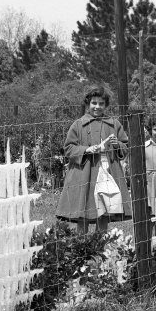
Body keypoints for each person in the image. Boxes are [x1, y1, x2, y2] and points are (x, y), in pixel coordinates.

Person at [56, 87, 131, 235]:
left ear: (106, 105)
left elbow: (126, 146)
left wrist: (117, 144)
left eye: (101, 103)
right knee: (84, 208)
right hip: (85, 172)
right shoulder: (78, 124)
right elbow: (68, 148)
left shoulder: (114, 124)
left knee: (104, 209)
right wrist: (86, 150)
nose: (97, 107)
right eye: (94, 103)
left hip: (108, 172)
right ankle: (82, 245)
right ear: (88, 104)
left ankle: (100, 244)